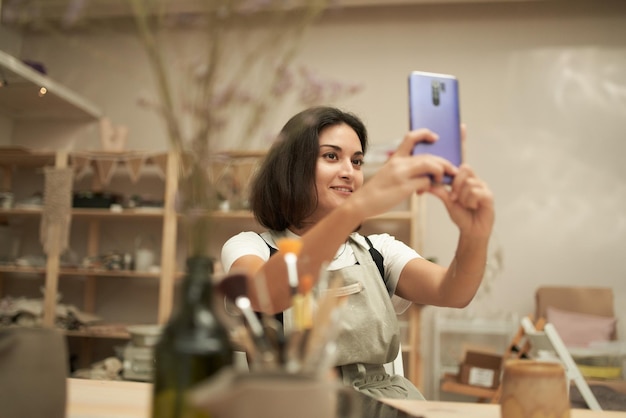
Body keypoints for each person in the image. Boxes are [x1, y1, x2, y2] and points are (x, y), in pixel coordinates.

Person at [221, 106, 495, 400]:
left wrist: (475, 235)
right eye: (331, 156)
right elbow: (263, 294)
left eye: (357, 161)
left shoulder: (379, 251)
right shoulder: (250, 247)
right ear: (292, 167)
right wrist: (357, 208)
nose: (348, 172)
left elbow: (454, 292)